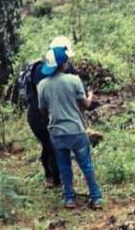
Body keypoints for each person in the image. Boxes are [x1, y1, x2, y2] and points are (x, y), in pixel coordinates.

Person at [38, 45, 103, 210]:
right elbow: (84, 105)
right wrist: (90, 96)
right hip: (76, 130)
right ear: (63, 63)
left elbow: (43, 110)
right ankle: (96, 198)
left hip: (57, 133)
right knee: (86, 165)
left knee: (64, 166)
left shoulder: (42, 85)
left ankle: (69, 199)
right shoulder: (74, 80)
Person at [25, 36, 78, 189]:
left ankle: (51, 177)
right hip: (44, 114)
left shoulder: (38, 68)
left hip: (37, 115)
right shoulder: (47, 73)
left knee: (48, 145)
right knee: (54, 146)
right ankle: (56, 180)